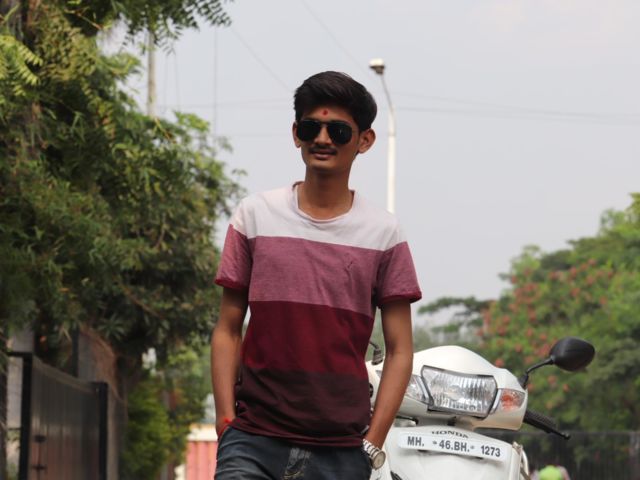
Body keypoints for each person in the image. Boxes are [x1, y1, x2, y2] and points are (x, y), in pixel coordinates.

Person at [210, 71, 422, 479]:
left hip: (340, 453)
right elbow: (227, 328)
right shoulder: (254, 216)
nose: (322, 139)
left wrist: (372, 443)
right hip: (252, 442)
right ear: (296, 134)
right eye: (311, 128)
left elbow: (400, 350)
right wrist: (225, 421)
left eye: (338, 131)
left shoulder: (384, 233)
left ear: (364, 141)